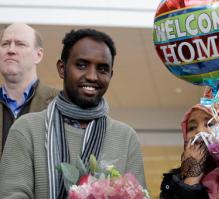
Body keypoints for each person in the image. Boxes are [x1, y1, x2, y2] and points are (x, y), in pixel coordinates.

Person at [0, 28, 146, 198]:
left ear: (110, 75)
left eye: (102, 69)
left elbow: (139, 194)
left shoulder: (126, 137)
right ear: (62, 69)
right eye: (82, 65)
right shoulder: (26, 129)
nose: (92, 76)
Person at [0, 23, 58, 156]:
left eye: (20, 44)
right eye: (5, 44)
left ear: (38, 55)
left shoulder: (60, 103)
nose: (11, 50)